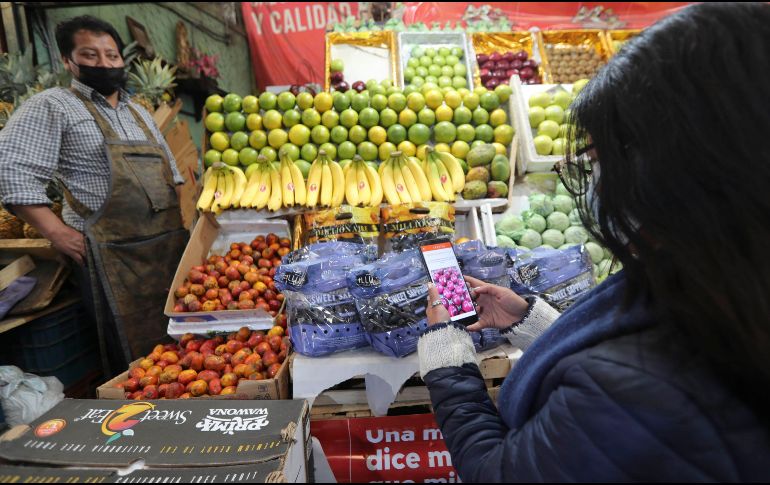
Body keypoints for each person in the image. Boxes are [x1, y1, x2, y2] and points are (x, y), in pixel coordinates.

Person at [419, 3, 770, 481]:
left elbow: (497, 472)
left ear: (680, 172)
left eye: (605, 160)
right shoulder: (726, 281)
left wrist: (447, 358)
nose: (597, 184)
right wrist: (535, 323)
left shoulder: (636, 396)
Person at [0, 16, 189, 376]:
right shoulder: (53, 106)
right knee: (136, 363)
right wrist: (55, 231)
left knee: (184, 349)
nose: (104, 64)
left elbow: (174, 176)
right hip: (110, 256)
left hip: (165, 252)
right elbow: (9, 167)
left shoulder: (139, 113)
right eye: (90, 55)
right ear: (68, 61)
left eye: (112, 56)